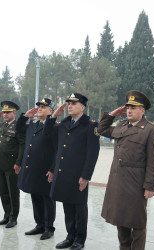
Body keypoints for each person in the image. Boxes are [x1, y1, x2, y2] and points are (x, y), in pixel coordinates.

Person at [98, 90, 154, 250]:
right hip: (118, 181)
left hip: (136, 183)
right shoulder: (121, 125)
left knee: (138, 223)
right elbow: (102, 130)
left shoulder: (150, 129)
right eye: (127, 108)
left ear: (142, 110)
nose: (129, 111)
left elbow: (153, 161)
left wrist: (150, 186)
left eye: (134, 107)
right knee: (121, 219)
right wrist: (112, 114)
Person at [44, 93, 100, 250]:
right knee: (67, 205)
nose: (69, 106)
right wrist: (54, 115)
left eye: (74, 104)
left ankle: (80, 239)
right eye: (69, 103)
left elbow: (92, 154)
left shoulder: (90, 125)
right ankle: (70, 236)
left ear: (82, 107)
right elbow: (48, 133)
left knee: (79, 207)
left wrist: (86, 176)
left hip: (78, 175)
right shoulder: (64, 123)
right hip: (63, 173)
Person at [15, 98, 57, 240]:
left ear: (50, 111)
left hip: (45, 170)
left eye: (44, 107)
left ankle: (49, 228)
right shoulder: (33, 125)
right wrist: (24, 117)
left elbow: (57, 150)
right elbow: (19, 131)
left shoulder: (53, 127)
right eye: (39, 106)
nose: (39, 108)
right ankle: (39, 225)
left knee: (47, 200)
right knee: (35, 197)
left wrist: (52, 169)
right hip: (32, 169)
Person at [0, 101, 25, 229]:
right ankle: (7, 215)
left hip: (12, 165)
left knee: (13, 192)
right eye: (4, 112)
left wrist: (18, 163)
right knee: (3, 192)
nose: (5, 114)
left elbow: (21, 146)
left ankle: (14, 217)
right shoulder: (1, 125)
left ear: (14, 113)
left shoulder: (18, 127)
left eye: (8, 112)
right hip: (0, 164)